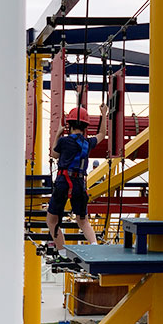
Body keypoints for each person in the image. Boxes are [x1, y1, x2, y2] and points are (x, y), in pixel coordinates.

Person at [46, 104, 108, 261]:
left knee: (52, 220)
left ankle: (62, 253)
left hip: (63, 182)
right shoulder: (87, 143)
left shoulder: (64, 142)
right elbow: (102, 133)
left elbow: (54, 154)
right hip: (79, 184)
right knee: (82, 220)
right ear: (86, 127)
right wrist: (103, 114)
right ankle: (94, 245)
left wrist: (58, 135)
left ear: (69, 125)